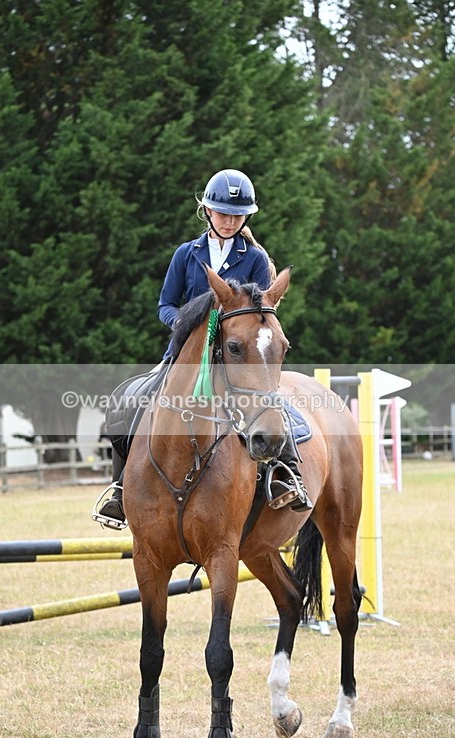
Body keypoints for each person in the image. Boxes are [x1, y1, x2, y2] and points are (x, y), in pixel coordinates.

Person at [94, 168, 312, 528]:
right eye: (223, 213)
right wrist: (186, 323)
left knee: (268, 402)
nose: (229, 221)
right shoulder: (186, 254)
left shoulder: (254, 258)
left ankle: (283, 472)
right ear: (207, 211)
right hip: (185, 356)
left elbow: (258, 314)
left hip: (235, 358)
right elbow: (165, 304)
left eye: (237, 215)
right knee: (126, 401)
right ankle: (120, 489)